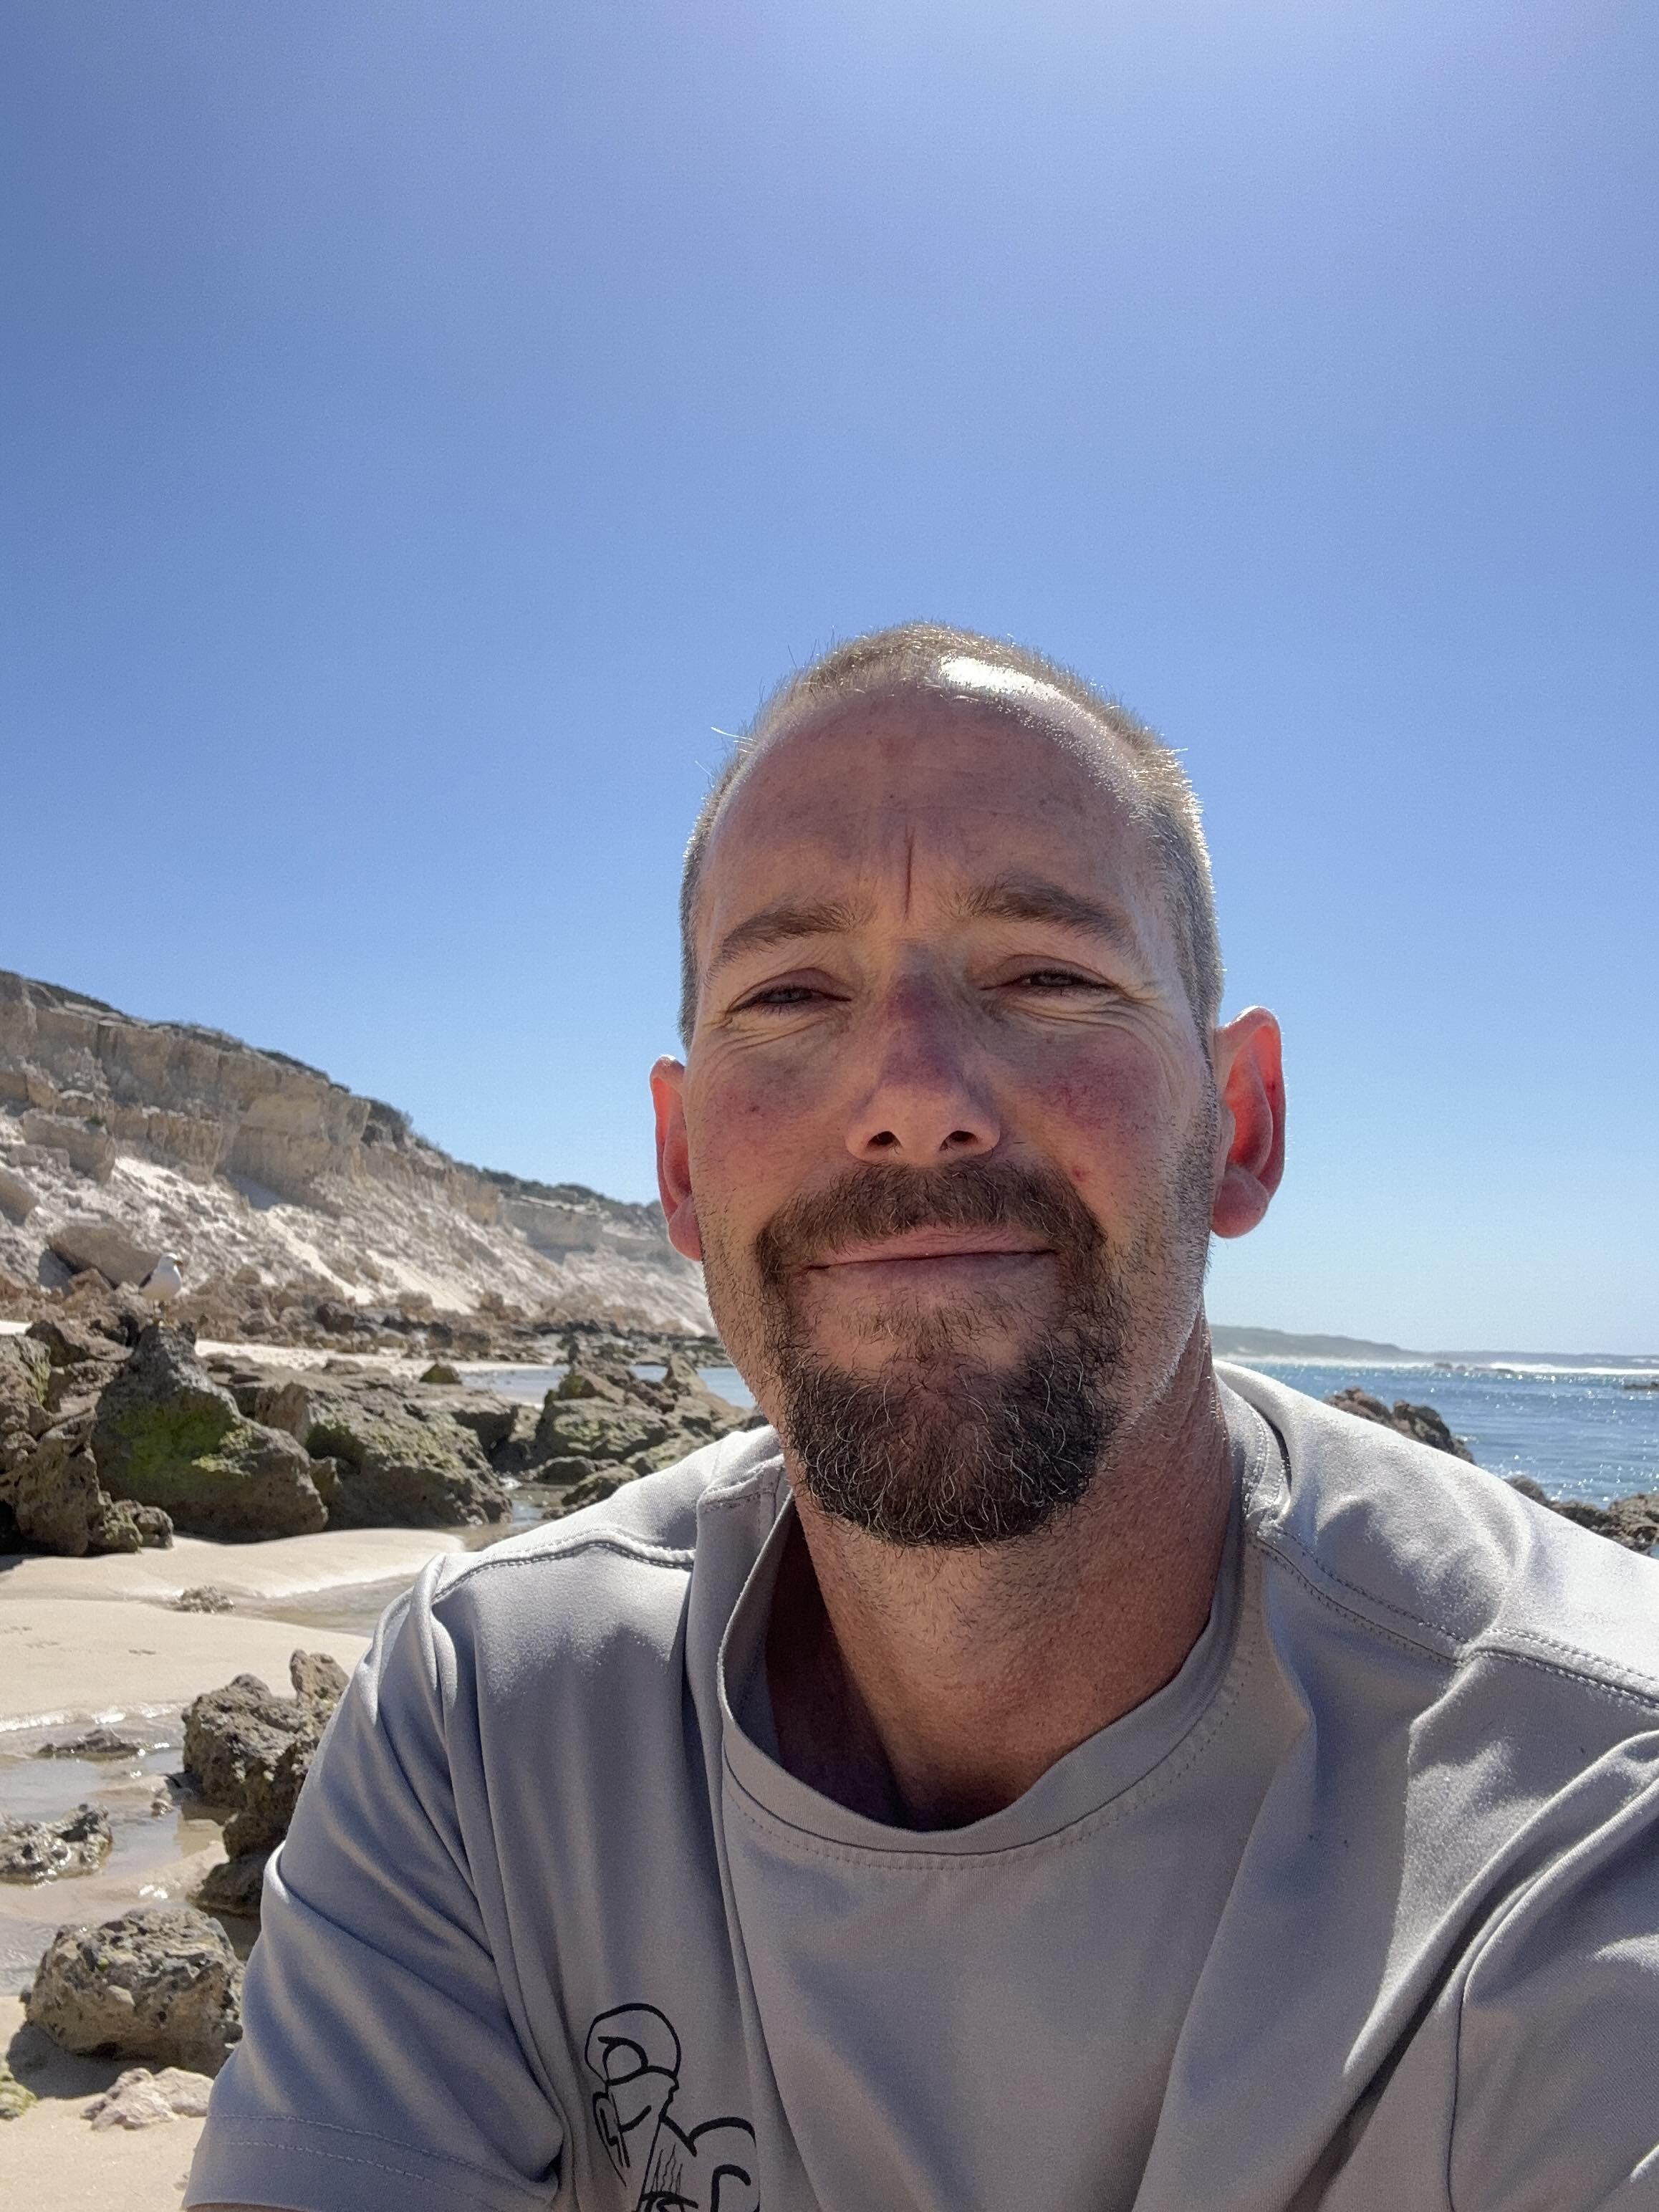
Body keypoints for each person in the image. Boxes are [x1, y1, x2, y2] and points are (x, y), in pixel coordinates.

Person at [190, 624, 1659, 2212]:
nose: (910, 1089)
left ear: (1238, 1125)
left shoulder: (1579, 1803)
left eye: (1044, 974)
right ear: (682, 1168)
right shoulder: (490, 1723)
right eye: (793, 988)